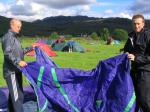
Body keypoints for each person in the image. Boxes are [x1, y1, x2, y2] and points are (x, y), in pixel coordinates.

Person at [1, 18, 33, 112]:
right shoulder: (8, 37)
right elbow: (7, 53)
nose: (19, 28)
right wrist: (18, 62)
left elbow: (21, 51)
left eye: (20, 27)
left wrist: (31, 48)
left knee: (15, 95)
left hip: (17, 70)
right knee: (17, 97)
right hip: (11, 72)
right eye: (18, 26)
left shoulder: (15, 38)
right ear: (12, 25)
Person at [124, 14, 150, 112]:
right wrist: (125, 53)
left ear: (143, 24)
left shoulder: (148, 35)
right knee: (134, 99)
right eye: (134, 24)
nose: (136, 26)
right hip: (133, 72)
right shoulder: (131, 36)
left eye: (138, 24)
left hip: (146, 72)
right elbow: (126, 50)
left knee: (144, 100)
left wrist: (136, 58)